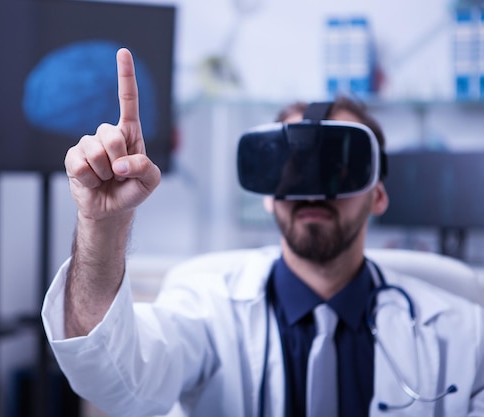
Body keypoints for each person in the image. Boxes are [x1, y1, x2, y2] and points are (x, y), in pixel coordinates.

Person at [41, 48, 484, 417]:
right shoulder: (205, 306)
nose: (313, 192)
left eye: (339, 168)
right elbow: (111, 377)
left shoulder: (464, 338)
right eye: (293, 170)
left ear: (379, 194)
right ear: (269, 193)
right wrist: (103, 226)